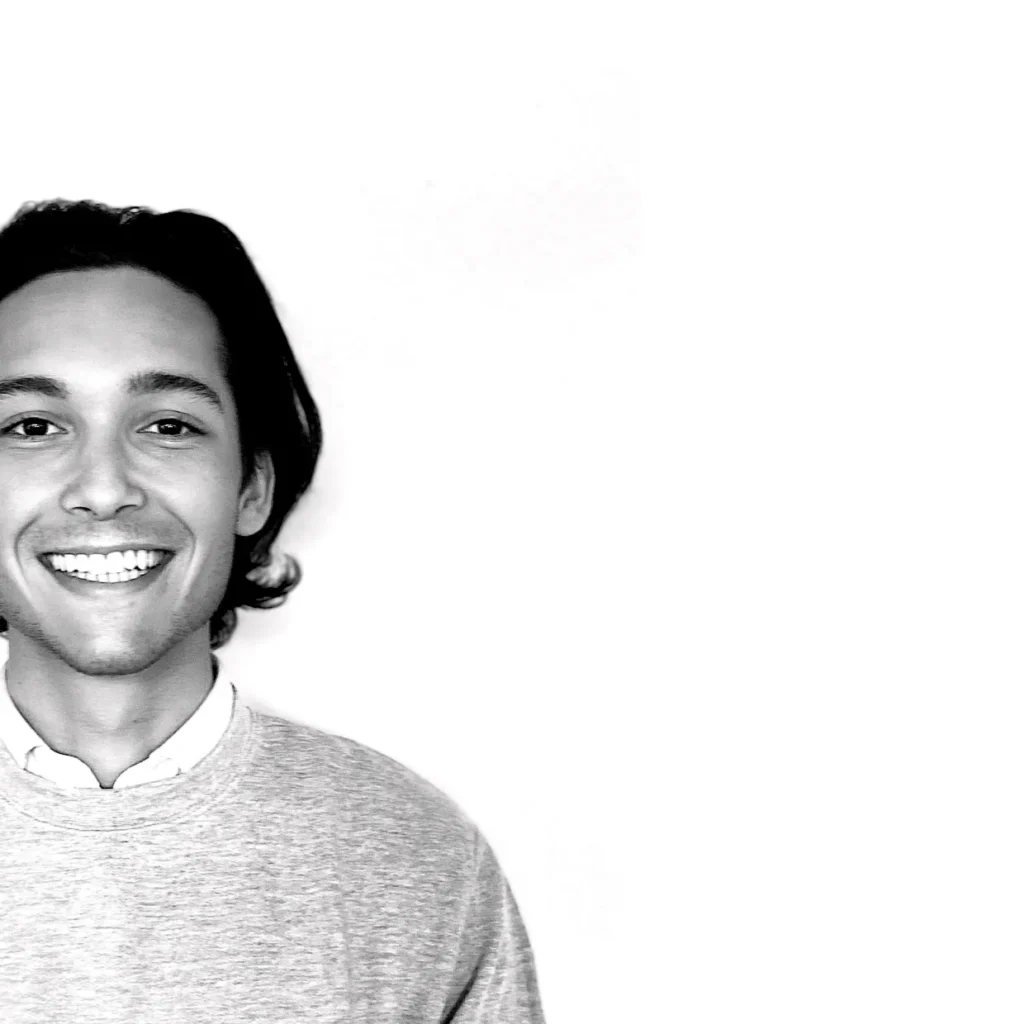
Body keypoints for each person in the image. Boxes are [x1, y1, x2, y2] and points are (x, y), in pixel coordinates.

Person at [0, 199, 545, 1023]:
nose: (104, 488)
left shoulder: (417, 860)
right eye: (34, 426)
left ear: (252, 486)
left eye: (170, 426)